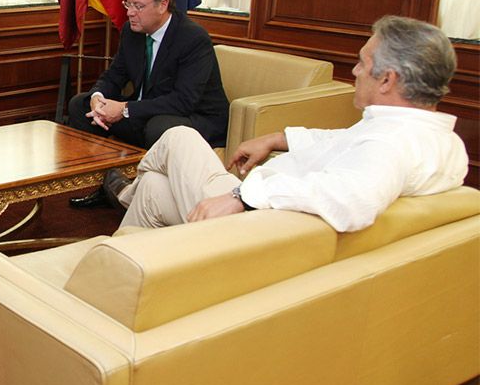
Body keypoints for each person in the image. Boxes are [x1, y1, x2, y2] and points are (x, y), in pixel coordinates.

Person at [103, 16, 466, 233]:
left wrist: (241, 198)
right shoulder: (431, 137)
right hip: (260, 218)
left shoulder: (389, 144)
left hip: (250, 227)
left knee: (178, 135)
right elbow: (344, 144)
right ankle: (125, 263)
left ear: (387, 80)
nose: (354, 72)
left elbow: (352, 200)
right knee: (153, 188)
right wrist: (280, 139)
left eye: (361, 63)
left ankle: (123, 194)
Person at [67, 0, 229, 208]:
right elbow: (116, 75)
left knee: (160, 127)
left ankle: (143, 195)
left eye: (138, 6)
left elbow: (183, 101)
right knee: (80, 105)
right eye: (128, 4)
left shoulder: (193, 39)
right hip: (147, 112)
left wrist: (124, 109)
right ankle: (109, 183)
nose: (130, 12)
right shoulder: (131, 32)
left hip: (193, 119)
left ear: (163, 5)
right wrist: (98, 98)